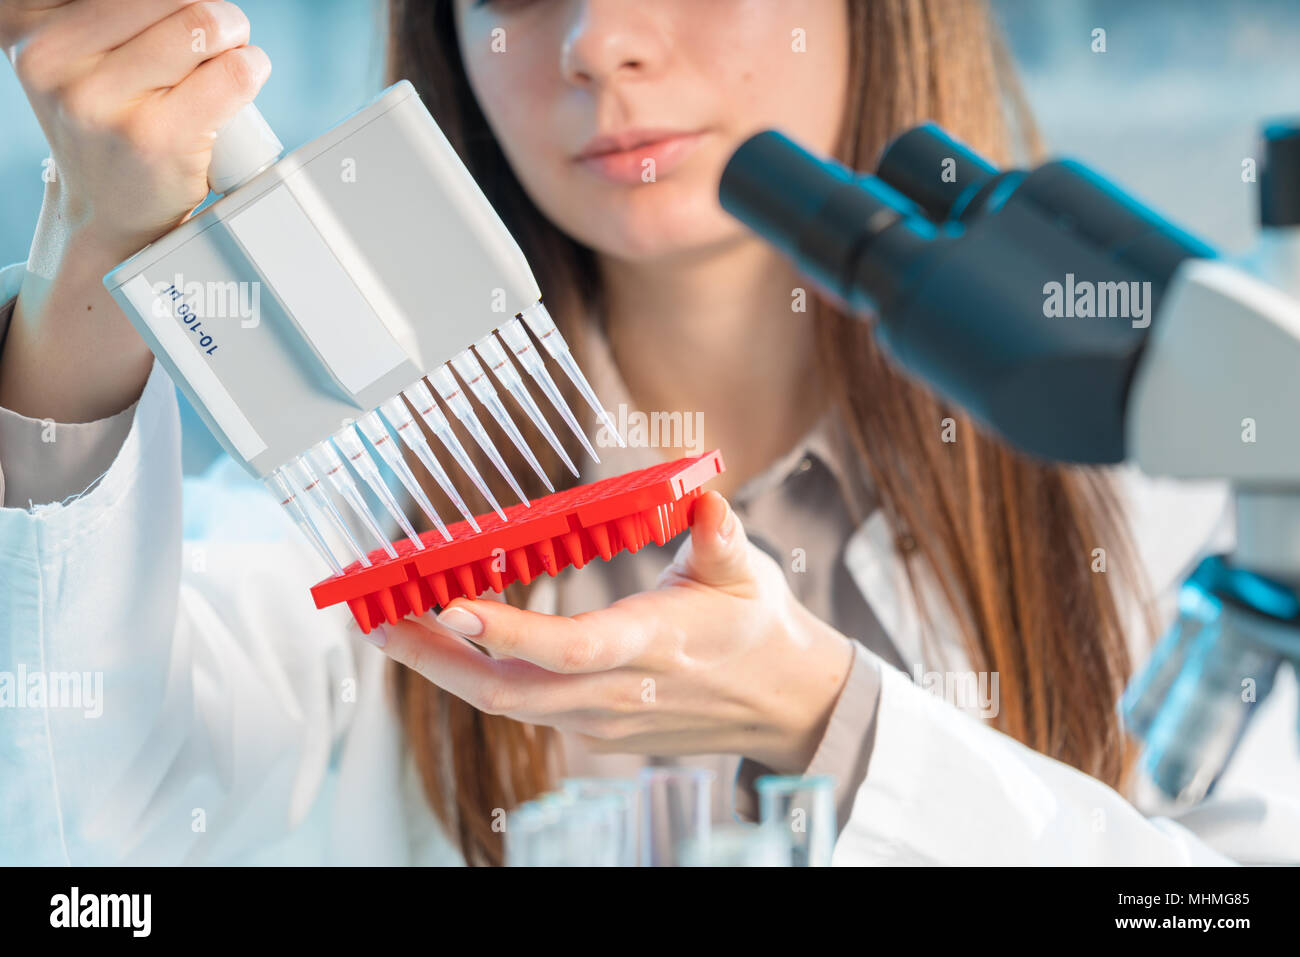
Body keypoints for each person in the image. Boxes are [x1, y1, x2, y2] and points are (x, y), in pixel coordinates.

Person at [0, 0, 1296, 866]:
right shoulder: (369, 492)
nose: (599, 40)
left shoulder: (1175, 475)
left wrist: (832, 722)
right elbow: (76, 822)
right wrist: (88, 276)